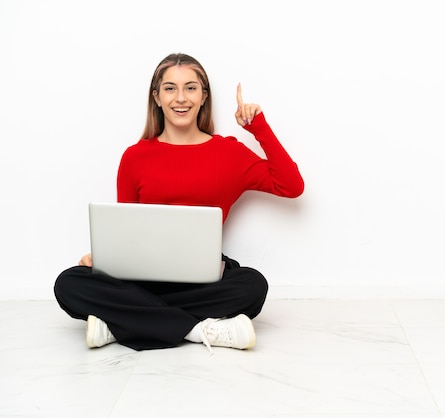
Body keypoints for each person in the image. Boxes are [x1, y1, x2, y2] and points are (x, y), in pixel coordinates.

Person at [53, 53, 304, 353]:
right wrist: (103, 259)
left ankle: (119, 325)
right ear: (156, 97)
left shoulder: (230, 153)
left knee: (253, 286)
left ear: (203, 96)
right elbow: (127, 229)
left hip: (204, 277)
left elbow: (291, 186)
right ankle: (200, 330)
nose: (180, 98)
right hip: (144, 277)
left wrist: (258, 127)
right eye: (170, 88)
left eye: (191, 88)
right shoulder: (135, 157)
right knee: (68, 283)